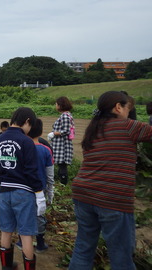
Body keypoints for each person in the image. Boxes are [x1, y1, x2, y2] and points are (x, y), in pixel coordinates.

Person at [68, 91, 152, 270]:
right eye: (128, 108)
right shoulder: (128, 126)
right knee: (121, 256)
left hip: (83, 194)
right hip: (112, 198)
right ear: (118, 107)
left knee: (83, 248)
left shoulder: (94, 129)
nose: (129, 113)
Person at [0, 107, 44, 270]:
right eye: (30, 125)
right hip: (24, 192)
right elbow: (31, 171)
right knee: (26, 233)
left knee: (6, 230)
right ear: (27, 121)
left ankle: (6, 267)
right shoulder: (26, 141)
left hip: (5, 191)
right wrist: (39, 193)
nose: (29, 130)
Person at [16, 118, 54, 253]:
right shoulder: (45, 150)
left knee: (23, 213)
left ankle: (21, 241)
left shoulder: (20, 147)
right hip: (40, 188)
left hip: (22, 188)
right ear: (41, 131)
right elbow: (50, 175)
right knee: (39, 215)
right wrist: (50, 193)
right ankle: (40, 243)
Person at [48, 96, 74, 185]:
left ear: (60, 105)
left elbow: (66, 130)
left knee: (62, 166)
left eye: (56, 104)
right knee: (61, 166)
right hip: (61, 145)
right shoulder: (66, 115)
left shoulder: (65, 116)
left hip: (62, 146)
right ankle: (62, 184)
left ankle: (63, 184)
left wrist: (54, 133)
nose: (55, 105)